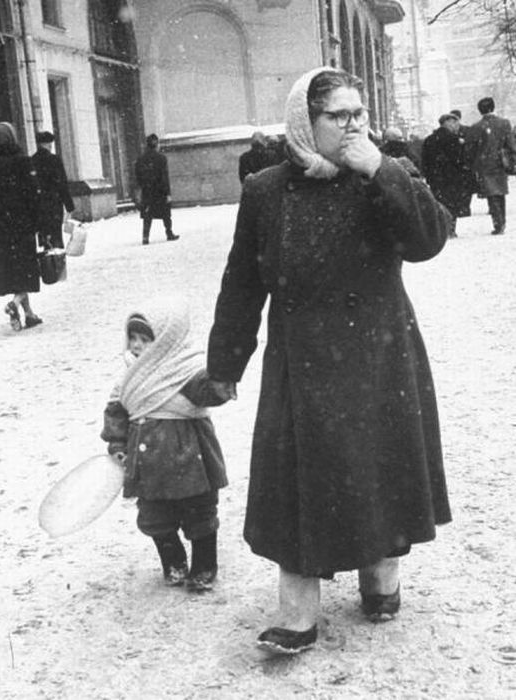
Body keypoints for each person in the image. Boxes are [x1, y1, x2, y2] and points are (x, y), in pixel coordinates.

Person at [206, 67, 452, 654]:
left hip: (379, 354)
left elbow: (428, 241)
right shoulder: (266, 190)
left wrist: (382, 170)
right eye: (338, 116)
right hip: (302, 359)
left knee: (378, 468)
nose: (353, 126)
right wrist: (225, 365)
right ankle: (297, 613)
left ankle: (381, 579)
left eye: (358, 113)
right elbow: (243, 283)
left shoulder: (388, 172)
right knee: (298, 484)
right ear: (305, 122)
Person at [101, 298, 228, 592]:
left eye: (145, 339)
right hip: (148, 461)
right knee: (155, 516)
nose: (136, 345)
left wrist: (221, 380)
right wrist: (117, 444)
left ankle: (205, 566)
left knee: (199, 512)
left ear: (166, 341)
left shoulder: (183, 371)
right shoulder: (129, 379)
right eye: (132, 337)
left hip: (188, 454)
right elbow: (117, 412)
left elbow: (207, 391)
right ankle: (173, 562)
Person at [0, 121, 42, 331]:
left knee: (11, 272)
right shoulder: (23, 162)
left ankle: (28, 314)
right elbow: (33, 196)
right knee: (25, 270)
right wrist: (40, 222)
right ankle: (16, 303)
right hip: (21, 226)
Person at [465, 96, 516, 235]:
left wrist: (472, 164)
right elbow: (511, 145)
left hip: (484, 165)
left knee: (491, 194)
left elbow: (470, 149)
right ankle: (502, 221)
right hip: (500, 163)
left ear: (480, 110)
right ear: (493, 107)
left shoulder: (476, 127)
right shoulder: (504, 123)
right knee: (500, 192)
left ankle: (498, 223)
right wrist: (511, 161)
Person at [421, 113, 467, 237]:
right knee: (452, 203)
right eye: (454, 123)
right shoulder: (454, 140)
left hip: (435, 178)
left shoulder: (430, 139)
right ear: (447, 123)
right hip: (452, 177)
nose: (457, 126)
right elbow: (460, 159)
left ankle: (442, 228)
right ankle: (450, 228)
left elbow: (425, 161)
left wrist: (428, 175)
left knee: (439, 202)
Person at [31, 130, 74, 249]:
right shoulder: (54, 160)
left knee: (44, 236)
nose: (51, 146)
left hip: (39, 205)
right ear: (46, 144)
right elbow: (62, 184)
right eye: (49, 143)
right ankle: (58, 256)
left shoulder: (32, 161)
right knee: (56, 235)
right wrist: (69, 205)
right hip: (54, 204)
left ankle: (47, 254)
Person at [135, 134, 179, 245]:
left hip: (147, 191)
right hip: (160, 191)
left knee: (147, 215)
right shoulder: (161, 158)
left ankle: (145, 237)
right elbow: (164, 177)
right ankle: (169, 233)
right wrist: (167, 193)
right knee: (166, 214)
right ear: (156, 144)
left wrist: (142, 187)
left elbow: (137, 176)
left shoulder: (141, 159)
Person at [449, 109, 476, 219]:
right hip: (454, 164)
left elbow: (472, 145)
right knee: (457, 186)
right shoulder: (448, 132)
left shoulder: (467, 130)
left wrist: (464, 143)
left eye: (455, 119)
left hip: (466, 162)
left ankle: (465, 207)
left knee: (467, 187)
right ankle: (459, 207)